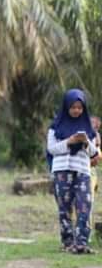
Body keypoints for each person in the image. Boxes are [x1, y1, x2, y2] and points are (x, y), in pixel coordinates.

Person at [47, 89, 99, 254]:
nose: (77, 110)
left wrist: (86, 142)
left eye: (80, 107)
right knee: (64, 208)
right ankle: (68, 242)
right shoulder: (55, 127)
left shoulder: (88, 128)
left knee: (84, 206)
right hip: (62, 171)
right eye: (73, 107)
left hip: (82, 171)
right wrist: (69, 141)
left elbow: (94, 153)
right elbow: (51, 149)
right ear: (66, 107)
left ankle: (82, 243)